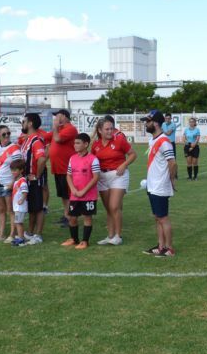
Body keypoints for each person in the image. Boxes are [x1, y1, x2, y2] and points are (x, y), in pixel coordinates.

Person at [92, 116, 136, 245]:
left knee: (114, 206)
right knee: (108, 208)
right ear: (100, 130)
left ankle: (118, 236)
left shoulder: (120, 140)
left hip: (118, 175)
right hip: (102, 177)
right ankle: (110, 236)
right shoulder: (96, 145)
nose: (110, 131)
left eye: (111, 128)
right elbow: (93, 161)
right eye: (107, 129)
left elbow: (133, 154)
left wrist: (124, 164)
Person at [141, 110, 177, 257]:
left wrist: (171, 181)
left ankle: (169, 248)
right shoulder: (154, 140)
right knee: (157, 217)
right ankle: (160, 246)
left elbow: (173, 163)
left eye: (148, 121)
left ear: (155, 122)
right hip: (152, 185)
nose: (146, 124)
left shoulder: (164, 141)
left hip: (160, 186)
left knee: (163, 217)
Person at [62, 133, 101, 250]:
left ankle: (85, 241)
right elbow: (68, 175)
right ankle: (74, 239)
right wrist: (73, 189)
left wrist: (84, 191)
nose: (75, 145)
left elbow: (96, 177)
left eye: (78, 143)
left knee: (87, 217)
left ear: (86, 144)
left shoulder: (93, 159)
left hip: (88, 195)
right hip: (75, 195)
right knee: (72, 217)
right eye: (75, 143)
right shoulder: (72, 158)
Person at [0, 126, 22, 243]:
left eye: (8, 133)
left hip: (9, 184)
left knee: (10, 210)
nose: (7, 136)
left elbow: (20, 166)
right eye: (4, 134)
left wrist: (13, 183)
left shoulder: (15, 149)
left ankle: (12, 234)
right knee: (1, 210)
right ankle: (1, 234)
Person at [20, 113, 48, 245]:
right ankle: (30, 232)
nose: (22, 124)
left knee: (38, 207)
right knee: (32, 207)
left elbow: (42, 159)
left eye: (24, 121)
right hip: (28, 179)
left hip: (34, 179)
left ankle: (38, 234)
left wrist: (37, 175)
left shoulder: (36, 140)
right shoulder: (28, 139)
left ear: (30, 123)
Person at [49, 109, 79, 228]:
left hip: (66, 167)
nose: (56, 118)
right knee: (63, 195)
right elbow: (47, 137)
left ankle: (71, 216)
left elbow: (57, 139)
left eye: (58, 115)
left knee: (68, 194)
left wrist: (55, 127)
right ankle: (66, 215)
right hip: (58, 168)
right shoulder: (59, 129)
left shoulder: (70, 128)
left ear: (65, 117)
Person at [10, 159, 29, 246]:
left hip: (20, 207)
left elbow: (25, 191)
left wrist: (22, 199)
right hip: (17, 206)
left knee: (18, 222)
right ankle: (20, 237)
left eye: (15, 170)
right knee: (17, 222)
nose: (13, 172)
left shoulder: (22, 180)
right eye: (12, 170)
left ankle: (21, 238)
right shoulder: (16, 180)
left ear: (21, 170)